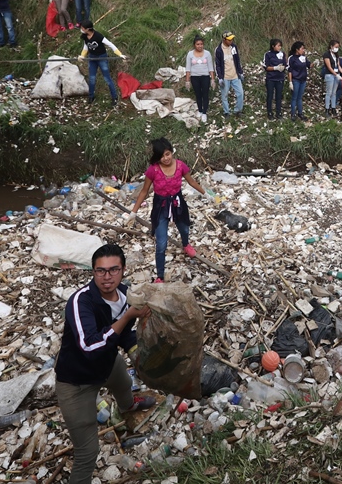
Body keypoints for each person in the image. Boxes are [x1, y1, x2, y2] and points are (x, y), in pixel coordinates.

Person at [55, 243, 156, 484]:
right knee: (87, 453)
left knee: (123, 385)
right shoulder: (80, 302)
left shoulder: (126, 294)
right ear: (93, 271)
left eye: (114, 270)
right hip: (76, 381)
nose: (107, 277)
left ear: (123, 270)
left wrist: (137, 354)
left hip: (109, 364)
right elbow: (90, 347)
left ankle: (128, 407)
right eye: (101, 271)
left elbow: (126, 333)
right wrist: (127, 316)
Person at [130, 138, 206, 283]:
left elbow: (191, 181)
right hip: (161, 206)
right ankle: (160, 275)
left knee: (184, 228)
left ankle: (185, 244)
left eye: (167, 154)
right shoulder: (153, 170)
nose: (165, 158)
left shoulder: (180, 166)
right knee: (161, 243)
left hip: (177, 202)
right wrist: (134, 212)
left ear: (171, 152)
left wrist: (205, 193)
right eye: (161, 156)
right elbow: (144, 191)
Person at [78, 21, 126, 107]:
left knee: (107, 78)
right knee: (92, 78)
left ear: (88, 29)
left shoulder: (98, 36)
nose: (81, 29)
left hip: (102, 58)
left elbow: (111, 45)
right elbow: (85, 47)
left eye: (83, 28)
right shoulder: (85, 36)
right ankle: (91, 96)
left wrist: (120, 54)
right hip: (92, 58)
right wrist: (82, 56)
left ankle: (114, 97)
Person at [184, 36, 215, 123]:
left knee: (205, 94)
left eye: (201, 44)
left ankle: (204, 112)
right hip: (194, 77)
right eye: (198, 44)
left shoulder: (207, 54)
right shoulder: (190, 54)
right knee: (198, 94)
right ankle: (200, 110)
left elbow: (210, 67)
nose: (200, 46)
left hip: (205, 76)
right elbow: (188, 68)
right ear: (194, 45)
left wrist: (212, 79)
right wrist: (187, 81)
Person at [214, 30, 244, 117]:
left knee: (240, 93)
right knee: (224, 95)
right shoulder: (219, 50)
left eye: (232, 40)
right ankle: (226, 112)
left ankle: (238, 110)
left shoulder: (233, 47)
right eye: (229, 40)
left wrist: (240, 72)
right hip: (225, 77)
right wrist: (219, 77)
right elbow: (217, 65)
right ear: (224, 39)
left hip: (235, 75)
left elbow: (237, 60)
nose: (231, 41)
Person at [263, 38, 287, 120]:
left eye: (280, 46)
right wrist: (275, 68)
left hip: (280, 78)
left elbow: (285, 64)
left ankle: (278, 112)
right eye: (278, 46)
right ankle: (269, 112)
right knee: (270, 95)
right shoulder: (268, 54)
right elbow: (266, 67)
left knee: (279, 96)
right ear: (273, 46)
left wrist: (283, 67)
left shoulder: (282, 54)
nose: (280, 47)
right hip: (271, 78)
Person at [287, 41, 309, 121]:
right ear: (297, 49)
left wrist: (314, 63)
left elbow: (308, 65)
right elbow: (290, 70)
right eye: (302, 48)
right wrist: (290, 82)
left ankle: (300, 113)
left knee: (300, 97)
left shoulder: (303, 57)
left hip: (303, 80)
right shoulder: (292, 58)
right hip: (296, 80)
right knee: (294, 98)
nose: (303, 50)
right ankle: (293, 114)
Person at [322, 39, 342, 117]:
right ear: (331, 46)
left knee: (334, 93)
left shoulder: (336, 55)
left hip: (336, 75)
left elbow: (338, 66)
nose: (336, 48)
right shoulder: (326, 55)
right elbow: (329, 67)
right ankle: (327, 109)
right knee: (329, 92)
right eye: (335, 47)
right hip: (330, 75)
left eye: (338, 47)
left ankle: (333, 108)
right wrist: (336, 74)